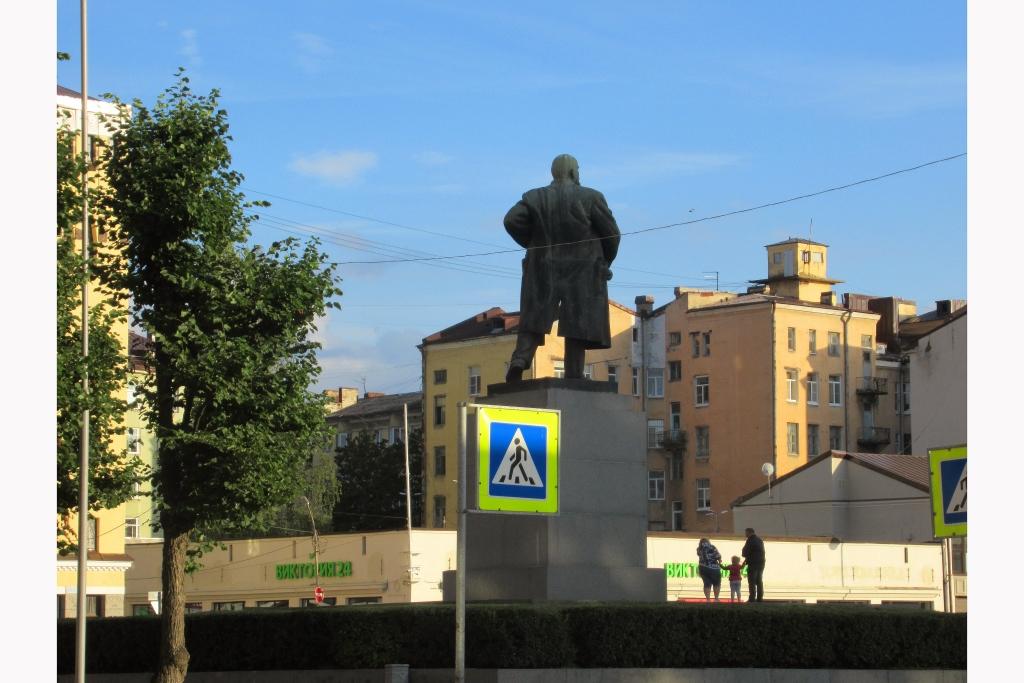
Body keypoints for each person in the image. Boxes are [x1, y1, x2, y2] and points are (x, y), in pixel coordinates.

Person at [503, 154, 621, 382]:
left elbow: (511, 220)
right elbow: (612, 235)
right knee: (577, 321)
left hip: (542, 267)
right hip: (582, 271)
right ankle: (574, 374)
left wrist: (533, 243)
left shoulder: (534, 197)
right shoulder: (591, 197)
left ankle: (520, 360)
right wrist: (605, 262)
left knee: (534, 316)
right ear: (573, 172)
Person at [741, 527, 766, 602]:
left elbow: (745, 552)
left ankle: (752, 598)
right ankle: (760, 598)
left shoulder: (750, 540)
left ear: (749, 532)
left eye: (746, 532)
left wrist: (744, 554)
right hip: (761, 562)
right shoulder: (759, 540)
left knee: (752, 581)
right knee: (759, 580)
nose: (745, 534)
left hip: (753, 563)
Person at [696, 538, 723, 602]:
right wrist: (719, 561)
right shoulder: (712, 547)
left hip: (703, 568)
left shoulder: (699, 549)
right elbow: (718, 556)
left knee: (706, 583)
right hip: (714, 568)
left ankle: (708, 599)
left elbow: (699, 555)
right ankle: (716, 599)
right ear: (708, 541)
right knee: (716, 583)